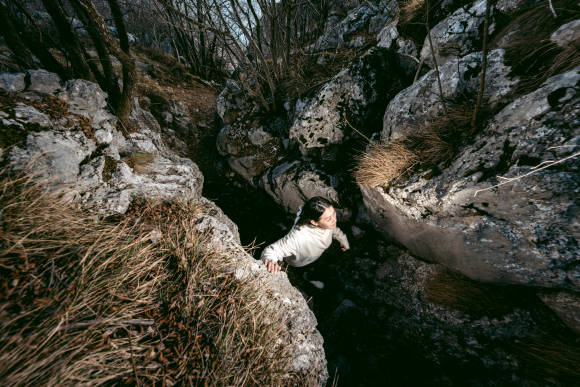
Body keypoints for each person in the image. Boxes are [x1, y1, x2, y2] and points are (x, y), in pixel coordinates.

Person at [261, 196, 350, 273]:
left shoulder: (327, 222)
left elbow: (334, 229)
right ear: (314, 222)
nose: (335, 220)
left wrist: (342, 239)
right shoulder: (299, 237)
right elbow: (272, 251)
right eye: (328, 219)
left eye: (334, 214)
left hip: (314, 255)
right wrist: (270, 261)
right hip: (297, 263)